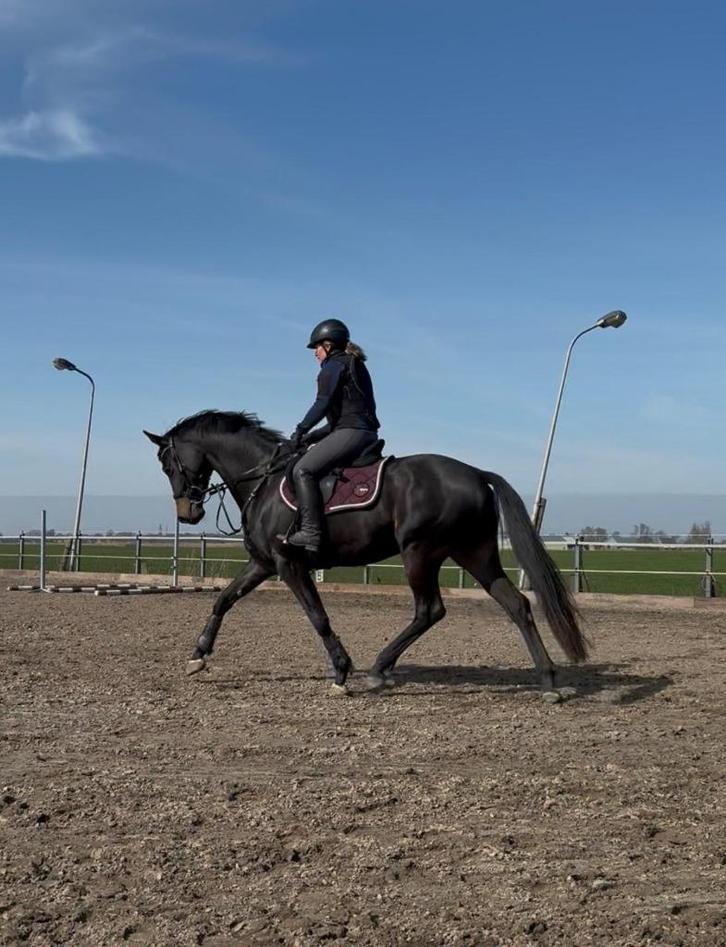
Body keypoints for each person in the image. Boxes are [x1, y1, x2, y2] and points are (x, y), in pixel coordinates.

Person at [280, 318, 380, 553]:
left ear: (329, 345)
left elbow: (321, 404)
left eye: (317, 347)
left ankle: (311, 533)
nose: (315, 353)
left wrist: (300, 429)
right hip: (359, 431)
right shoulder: (351, 364)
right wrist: (309, 438)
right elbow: (336, 422)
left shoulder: (334, 365)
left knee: (302, 469)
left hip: (353, 433)